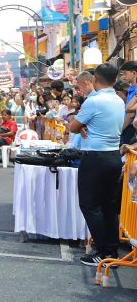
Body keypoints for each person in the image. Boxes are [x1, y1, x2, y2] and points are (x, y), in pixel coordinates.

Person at [69, 65, 125, 266]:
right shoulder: (119, 100)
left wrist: (82, 125)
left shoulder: (94, 101)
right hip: (113, 157)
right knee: (108, 207)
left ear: (94, 79)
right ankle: (111, 251)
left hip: (95, 158)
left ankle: (104, 251)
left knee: (90, 205)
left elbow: (72, 126)